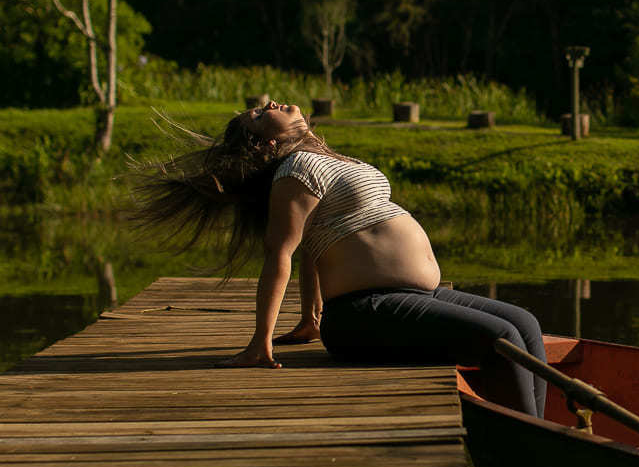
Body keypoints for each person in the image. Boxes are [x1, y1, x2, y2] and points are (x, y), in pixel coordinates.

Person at [133, 101, 547, 417]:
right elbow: (281, 253)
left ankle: (537, 429)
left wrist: (310, 319)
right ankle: (531, 441)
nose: (272, 104)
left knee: (526, 323)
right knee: (503, 340)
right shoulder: (294, 170)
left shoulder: (321, 160)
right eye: (260, 115)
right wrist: (260, 343)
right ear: (265, 143)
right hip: (366, 313)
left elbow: (317, 245)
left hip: (409, 296)